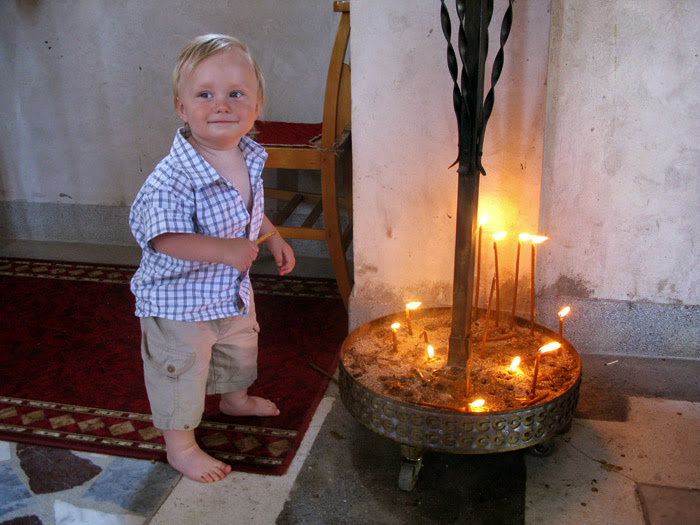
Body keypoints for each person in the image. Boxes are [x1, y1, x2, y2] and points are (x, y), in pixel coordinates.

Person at [129, 34, 295, 483]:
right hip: (179, 305)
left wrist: (272, 236)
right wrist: (224, 250)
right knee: (181, 373)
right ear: (181, 108)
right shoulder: (172, 178)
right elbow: (164, 239)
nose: (221, 105)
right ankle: (180, 447)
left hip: (230, 293)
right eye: (205, 95)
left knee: (237, 351)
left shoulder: (245, 155)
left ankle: (234, 400)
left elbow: (247, 209)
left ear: (257, 105)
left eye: (236, 94)